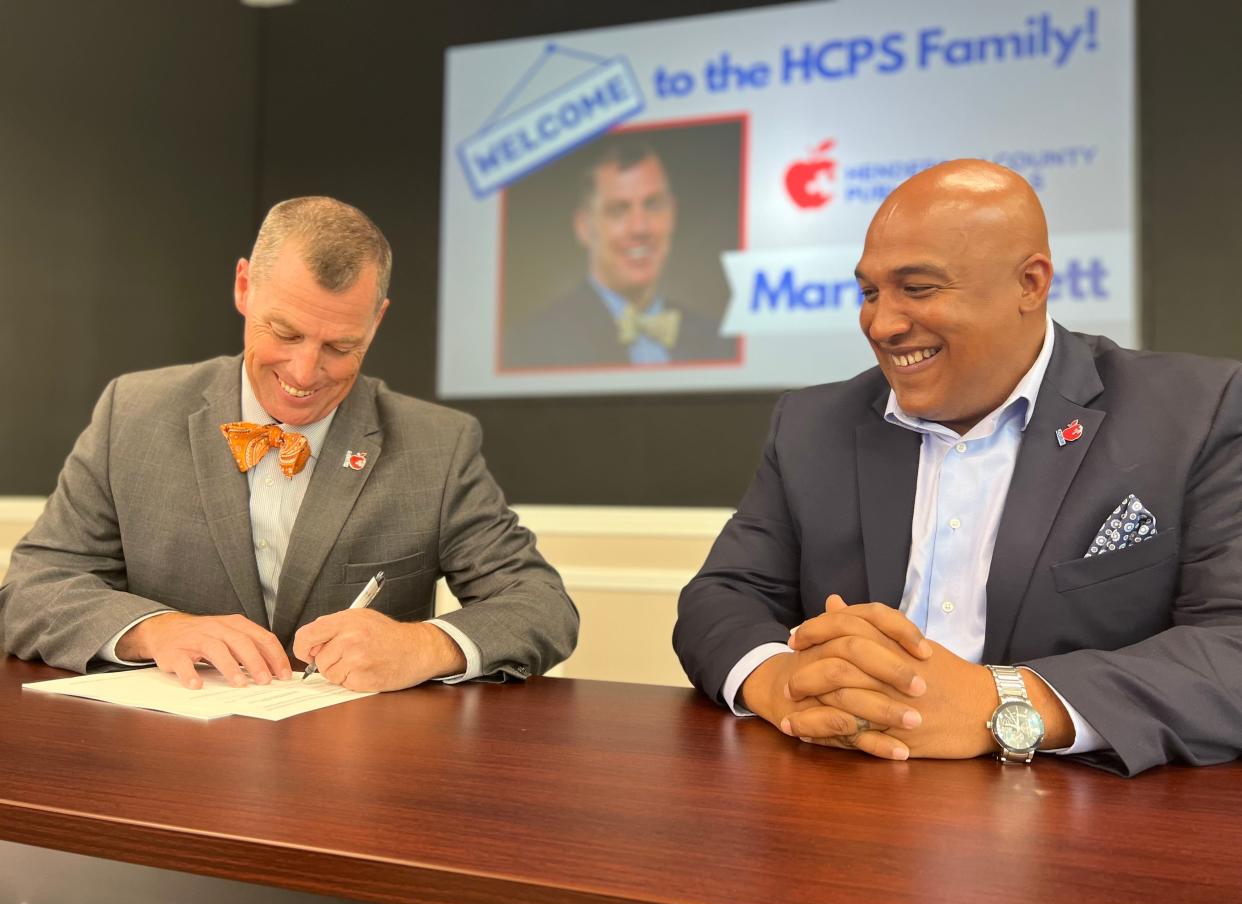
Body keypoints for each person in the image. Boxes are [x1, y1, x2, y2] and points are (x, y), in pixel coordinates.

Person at [674, 160, 1242, 776]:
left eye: (918, 289)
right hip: (844, 798)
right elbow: (722, 596)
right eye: (869, 293)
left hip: (1082, 818)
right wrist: (780, 680)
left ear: (1030, 283)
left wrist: (1002, 703)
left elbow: (1230, 645)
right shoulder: (813, 424)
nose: (882, 324)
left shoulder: (1196, 412)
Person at [1, 196, 578, 691]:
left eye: (341, 346)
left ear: (377, 321)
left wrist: (426, 646)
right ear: (244, 286)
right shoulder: (132, 413)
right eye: (285, 332)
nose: (305, 372)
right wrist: (155, 629)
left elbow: (542, 605)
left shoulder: (438, 446)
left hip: (357, 779)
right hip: (162, 764)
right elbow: (32, 590)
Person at [502, 139, 737, 369]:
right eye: (618, 210)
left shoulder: (719, 339)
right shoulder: (529, 343)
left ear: (673, 214)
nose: (640, 228)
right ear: (584, 227)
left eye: (653, 204)